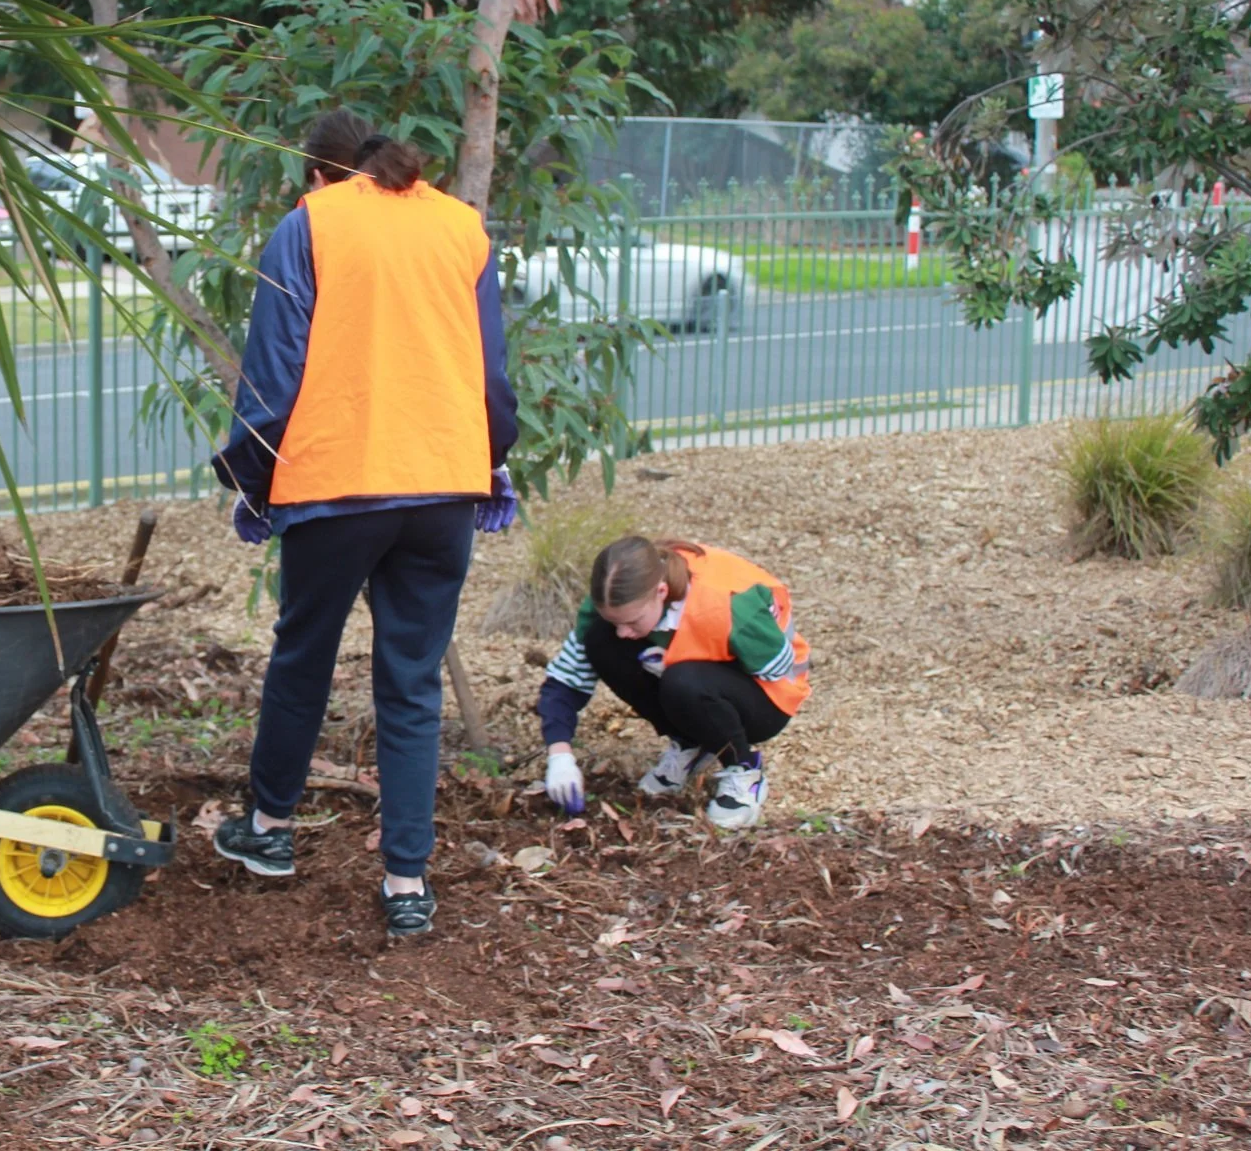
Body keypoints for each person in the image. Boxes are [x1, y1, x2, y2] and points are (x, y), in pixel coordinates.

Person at [208, 109, 519, 938]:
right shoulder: (461, 228)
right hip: (443, 485)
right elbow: (490, 372)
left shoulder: (310, 225)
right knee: (412, 681)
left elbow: (274, 371)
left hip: (341, 480)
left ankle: (269, 832)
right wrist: (486, 457)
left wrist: (252, 474)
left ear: (319, 173)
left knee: (304, 655)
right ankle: (407, 882)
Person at [537, 535, 808, 829]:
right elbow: (565, 680)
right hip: (694, 683)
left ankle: (744, 770)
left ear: (661, 592)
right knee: (601, 641)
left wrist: (688, 663)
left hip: (768, 699)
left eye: (632, 622)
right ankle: (692, 742)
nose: (623, 632)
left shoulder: (729, 605)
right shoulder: (615, 600)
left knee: (685, 681)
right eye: (617, 621)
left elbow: (778, 669)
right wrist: (559, 754)